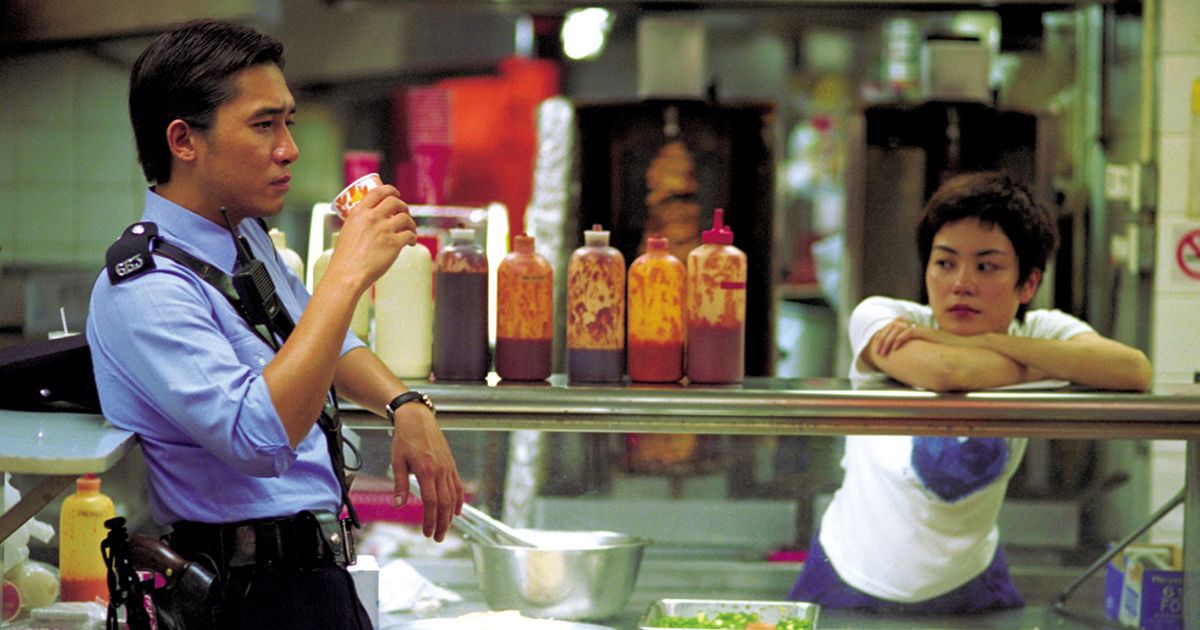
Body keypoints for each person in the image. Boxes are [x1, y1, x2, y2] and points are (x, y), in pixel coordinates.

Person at [87, 18, 463, 629]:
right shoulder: (146, 287)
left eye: (287, 120)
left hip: (316, 577)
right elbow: (258, 437)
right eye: (265, 124)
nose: (288, 146)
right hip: (238, 594)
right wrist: (345, 276)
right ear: (184, 141)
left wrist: (404, 404)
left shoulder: (244, 240)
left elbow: (323, 340)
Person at [789, 171, 1151, 613]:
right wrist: (1042, 362)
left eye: (986, 266)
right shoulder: (881, 317)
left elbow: (1132, 370)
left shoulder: (1040, 328)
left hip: (972, 583)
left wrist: (989, 342)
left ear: (1029, 283)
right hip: (847, 576)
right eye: (944, 263)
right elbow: (949, 372)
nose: (961, 283)